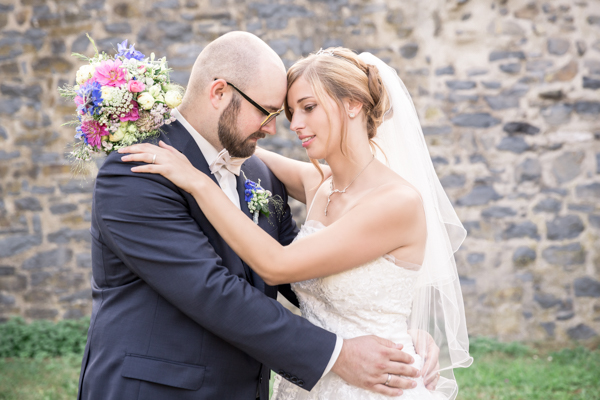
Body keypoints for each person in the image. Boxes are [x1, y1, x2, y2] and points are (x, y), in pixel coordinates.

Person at [78, 33, 430, 400]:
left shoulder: (259, 173)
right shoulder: (140, 171)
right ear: (218, 93)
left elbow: (305, 272)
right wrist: (337, 354)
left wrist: (398, 330)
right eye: (269, 111)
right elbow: (213, 292)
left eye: (291, 112)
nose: (278, 128)